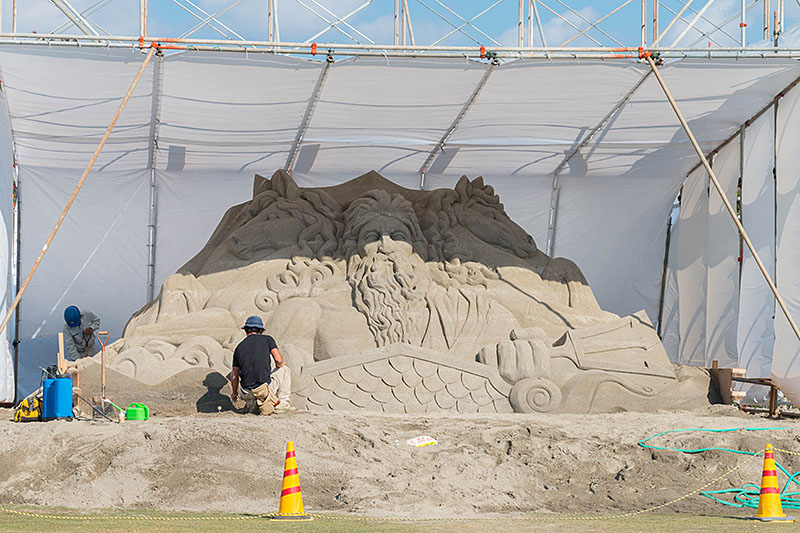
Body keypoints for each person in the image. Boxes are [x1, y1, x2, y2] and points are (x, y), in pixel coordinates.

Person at [230, 315, 292, 415]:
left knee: (251, 387)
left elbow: (234, 376)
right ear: (260, 330)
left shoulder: (239, 347)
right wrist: (279, 365)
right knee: (284, 369)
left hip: (246, 392)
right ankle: (281, 405)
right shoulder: (267, 340)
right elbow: (279, 360)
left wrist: (234, 394)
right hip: (263, 389)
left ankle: (252, 402)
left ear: (246, 330)